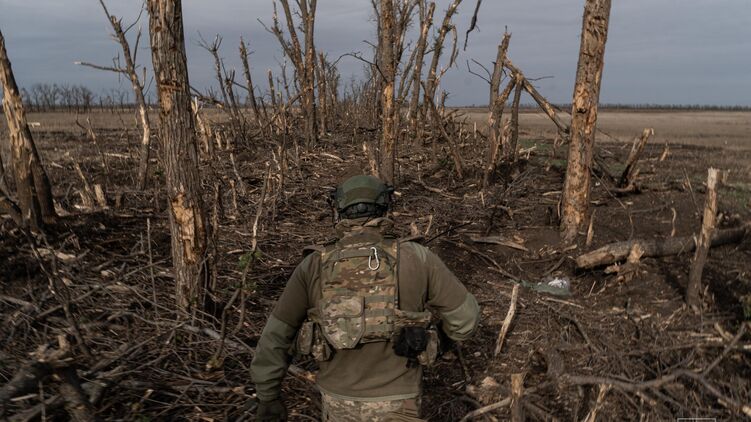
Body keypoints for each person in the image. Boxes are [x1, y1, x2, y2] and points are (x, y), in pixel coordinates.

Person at [250, 175, 480, 421]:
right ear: (386, 207)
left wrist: (268, 395)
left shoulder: (313, 265)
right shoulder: (417, 258)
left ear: (339, 211)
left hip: (338, 399)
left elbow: (276, 336)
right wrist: (435, 340)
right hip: (399, 400)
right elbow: (466, 319)